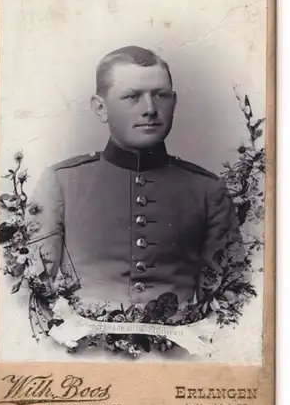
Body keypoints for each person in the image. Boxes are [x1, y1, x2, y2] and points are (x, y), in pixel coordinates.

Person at [29, 46, 244, 314]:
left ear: (174, 102)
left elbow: (228, 301)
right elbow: (34, 296)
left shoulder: (208, 191)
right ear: (100, 108)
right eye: (132, 97)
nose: (150, 109)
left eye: (161, 95)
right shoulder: (60, 184)